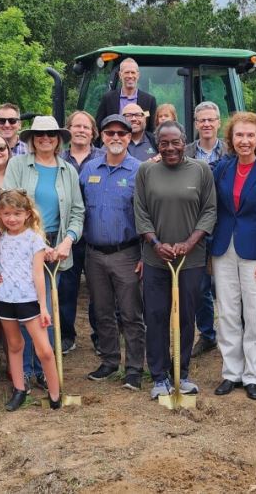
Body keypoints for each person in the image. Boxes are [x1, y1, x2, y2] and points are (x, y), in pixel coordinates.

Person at [134, 121, 217, 399]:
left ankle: (180, 373)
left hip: (190, 261)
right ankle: (158, 376)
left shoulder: (201, 170)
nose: (170, 148)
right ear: (158, 144)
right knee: (156, 316)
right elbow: (140, 211)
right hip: (157, 259)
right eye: (164, 143)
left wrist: (189, 243)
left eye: (175, 142)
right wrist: (155, 243)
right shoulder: (146, 170)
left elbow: (209, 211)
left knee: (185, 317)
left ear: (185, 142)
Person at [3, 116, 85, 390]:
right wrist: (37, 242)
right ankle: (24, 370)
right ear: (31, 139)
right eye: (39, 134)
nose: (45, 138)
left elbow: (77, 212)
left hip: (56, 249)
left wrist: (67, 242)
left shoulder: (67, 171)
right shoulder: (17, 165)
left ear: (59, 138)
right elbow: (9, 205)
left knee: (45, 309)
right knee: (24, 309)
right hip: (22, 246)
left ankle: (42, 368)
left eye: (51, 134)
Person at [211, 112, 256, 401]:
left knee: (254, 316)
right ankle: (231, 372)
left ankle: (252, 376)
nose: (244, 140)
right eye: (239, 135)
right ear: (231, 138)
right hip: (223, 249)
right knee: (227, 314)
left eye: (250, 135)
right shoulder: (222, 169)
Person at [79, 114, 145, 390]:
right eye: (110, 133)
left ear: (130, 137)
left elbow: (148, 215)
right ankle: (109, 360)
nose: (116, 137)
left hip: (127, 253)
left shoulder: (141, 171)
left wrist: (145, 255)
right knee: (102, 311)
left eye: (122, 133)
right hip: (94, 254)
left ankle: (134, 368)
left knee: (131, 314)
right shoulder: (88, 170)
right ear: (101, 137)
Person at [0, 190, 63, 411]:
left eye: (17, 213)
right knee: (14, 345)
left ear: (27, 214)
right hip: (4, 298)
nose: (11, 218)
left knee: (43, 349)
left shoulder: (34, 239)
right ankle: (19, 388)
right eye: (6, 214)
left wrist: (43, 306)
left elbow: (38, 274)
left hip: (28, 300)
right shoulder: (0, 238)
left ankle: (54, 392)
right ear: (0, 215)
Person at [58, 111, 104, 352]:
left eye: (86, 127)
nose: (81, 131)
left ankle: (100, 336)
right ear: (69, 130)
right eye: (77, 126)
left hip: (96, 234)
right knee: (66, 287)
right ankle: (66, 336)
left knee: (99, 290)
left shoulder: (104, 157)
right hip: (68, 236)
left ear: (93, 132)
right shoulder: (58, 159)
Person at [185, 101, 227, 358]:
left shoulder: (231, 151)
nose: (207, 124)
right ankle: (207, 334)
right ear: (196, 123)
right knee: (199, 286)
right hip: (195, 227)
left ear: (219, 123)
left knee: (226, 286)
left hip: (224, 225)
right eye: (202, 120)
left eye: (212, 120)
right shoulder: (185, 151)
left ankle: (233, 335)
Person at [96, 58, 158, 133]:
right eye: (127, 72)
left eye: (133, 72)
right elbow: (98, 126)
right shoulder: (108, 99)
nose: (130, 76)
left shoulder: (149, 101)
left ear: (138, 75)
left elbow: (152, 129)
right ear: (120, 75)